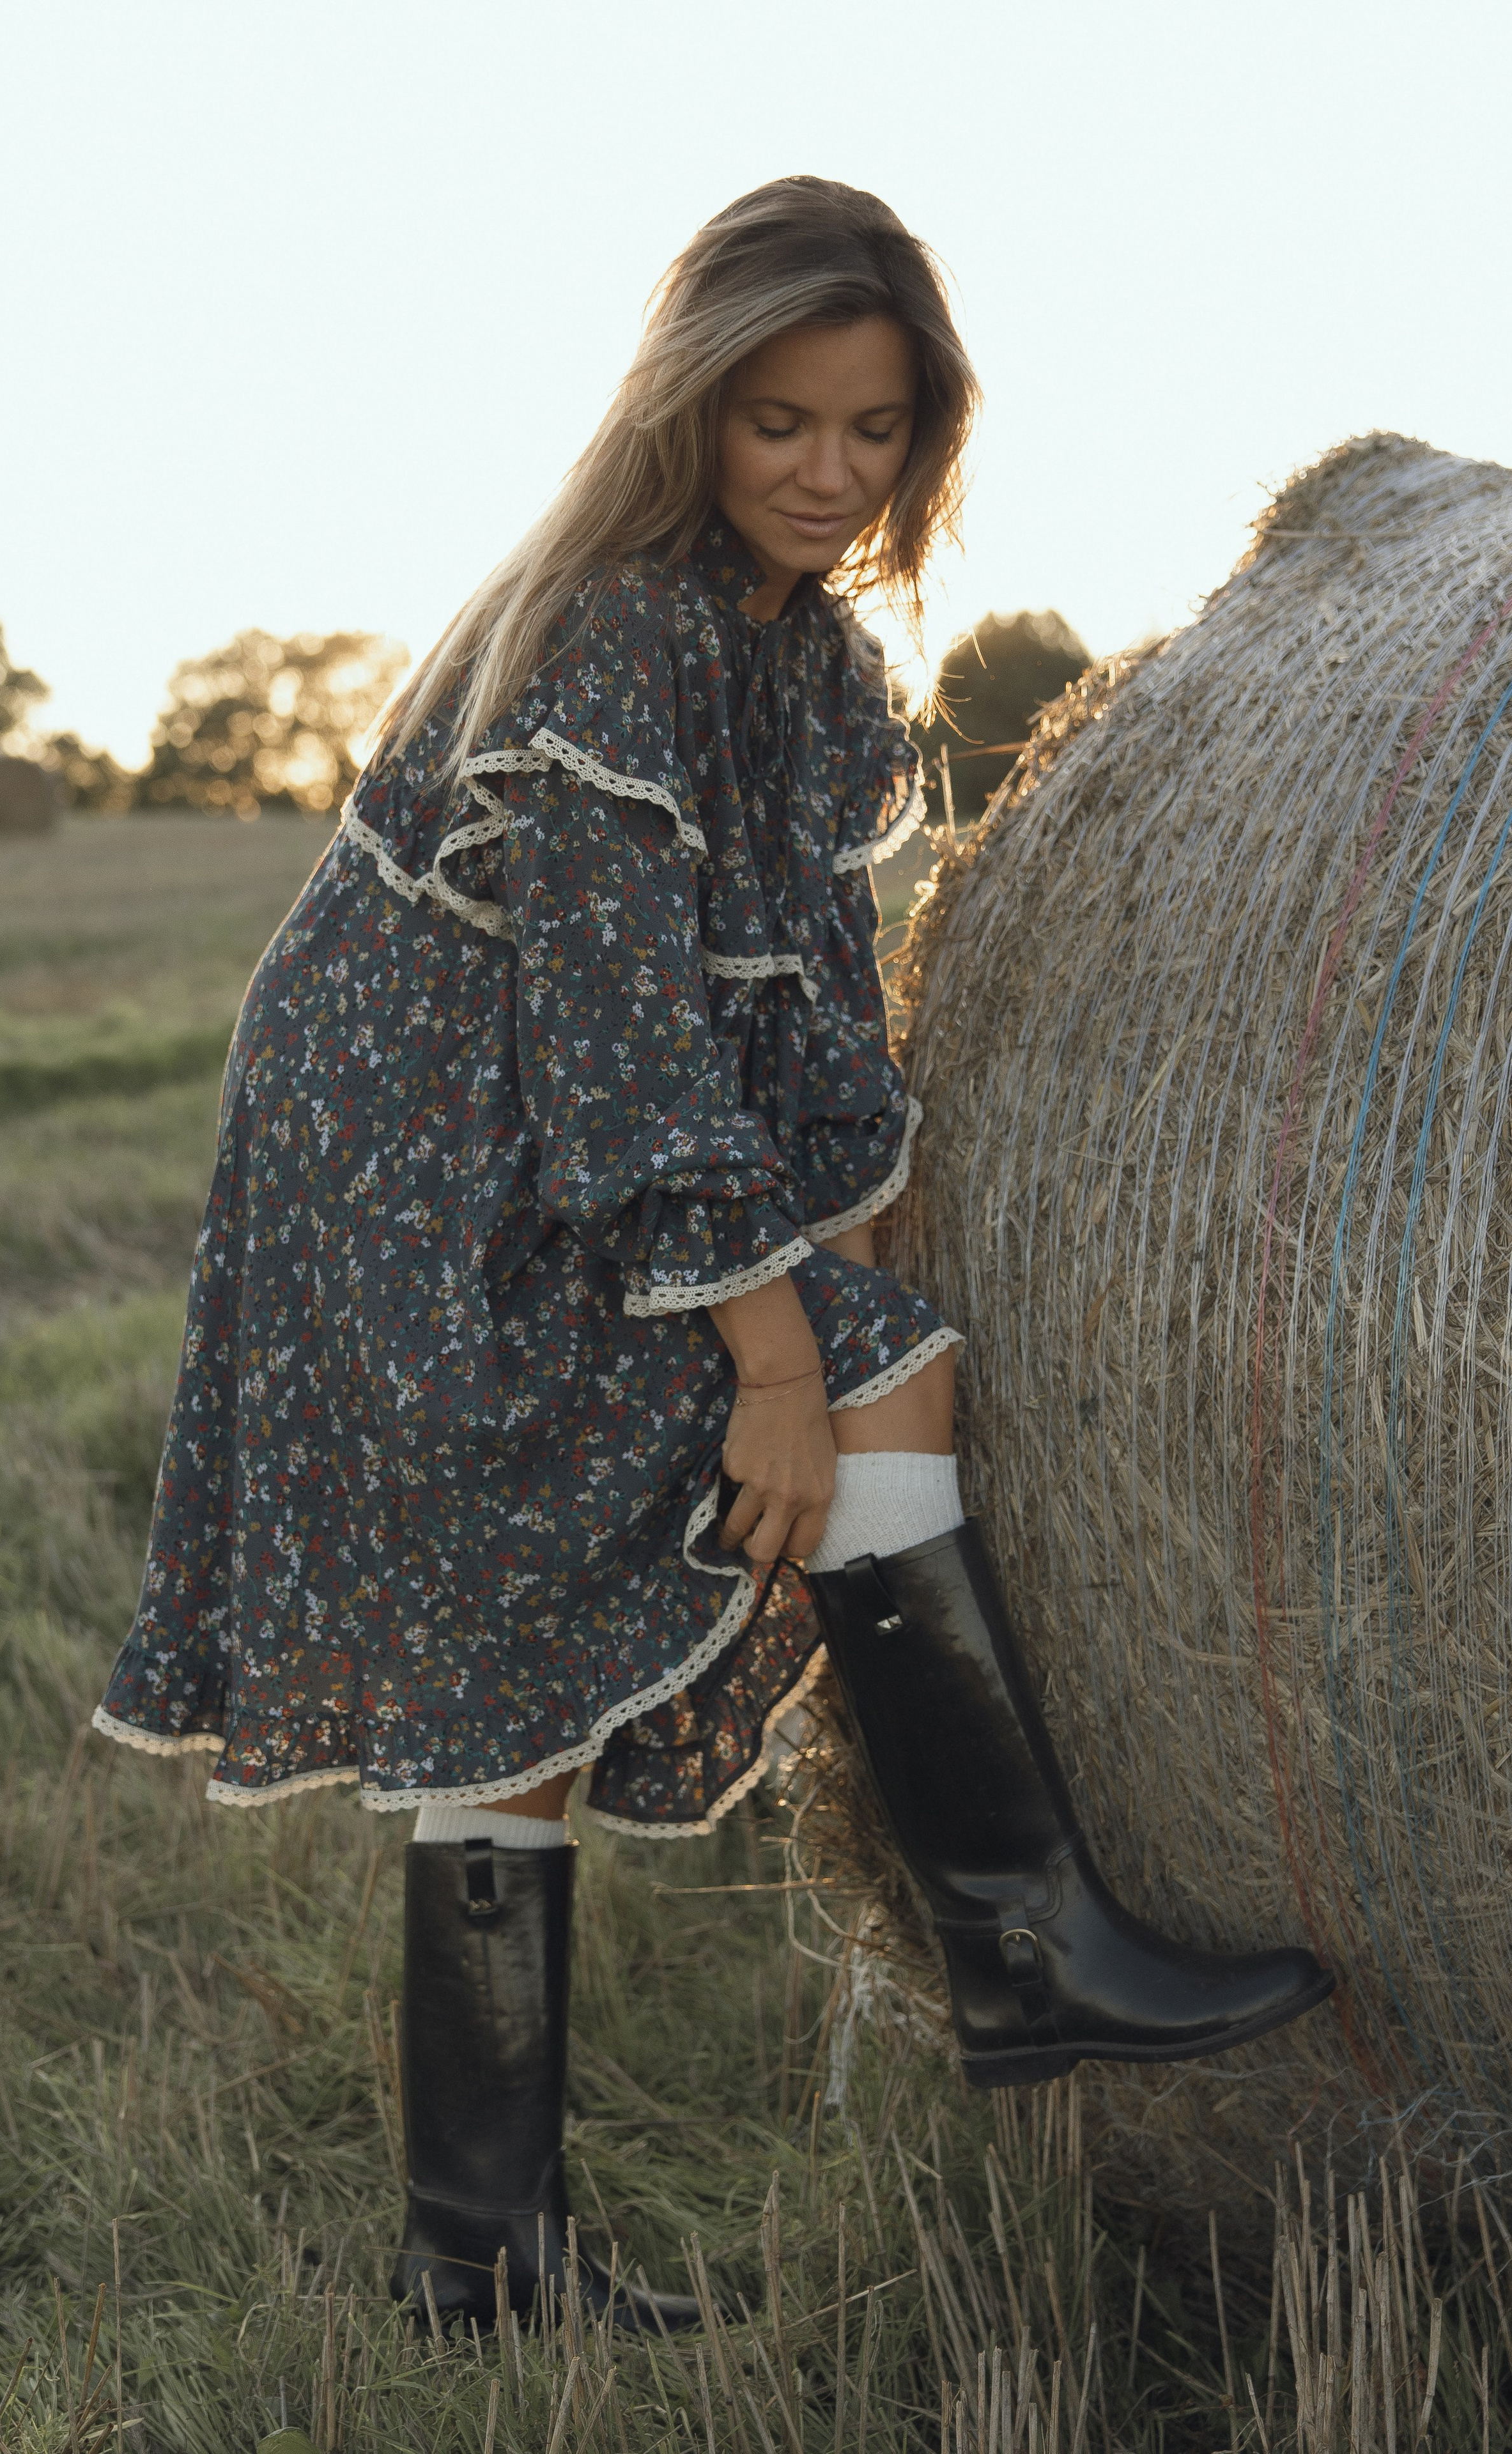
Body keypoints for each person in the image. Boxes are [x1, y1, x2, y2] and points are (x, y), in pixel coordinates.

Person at [92, 176, 1334, 2331]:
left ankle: (486, 2262)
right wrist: (773, 1354)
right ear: (688, 409)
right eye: (781, 423)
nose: (829, 473)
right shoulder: (618, 630)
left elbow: (799, 1025)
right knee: (850, 1397)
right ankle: (1015, 1946)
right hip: (426, 1172)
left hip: (546, 1146)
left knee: (552, 1671)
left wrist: (855, 1232)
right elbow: (616, 1060)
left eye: (874, 431)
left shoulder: (814, 665)